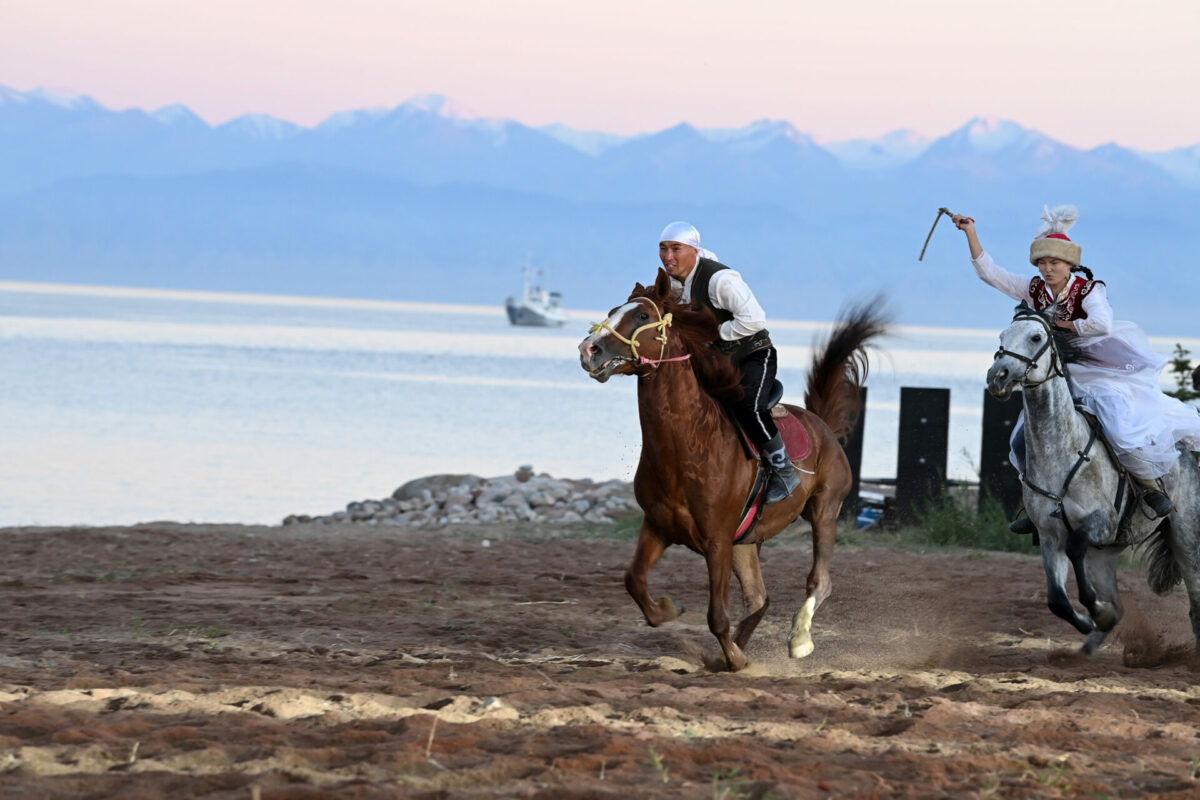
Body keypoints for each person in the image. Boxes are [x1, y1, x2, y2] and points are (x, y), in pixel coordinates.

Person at [953, 205, 1200, 529]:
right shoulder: (1033, 289)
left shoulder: (1089, 290)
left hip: (1095, 371)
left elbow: (1102, 324)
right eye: (1041, 263)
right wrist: (971, 232)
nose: (1046, 269)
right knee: (1021, 440)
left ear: (1068, 264)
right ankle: (1038, 506)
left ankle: (1149, 489)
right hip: (1055, 373)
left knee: (1121, 428)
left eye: (1052, 263)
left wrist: (1062, 323)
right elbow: (991, 274)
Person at [657, 221, 800, 503]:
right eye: (663, 248)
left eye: (676, 248)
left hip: (754, 354)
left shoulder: (720, 280)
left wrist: (714, 333)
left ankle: (785, 473)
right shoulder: (673, 283)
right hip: (716, 361)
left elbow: (755, 319)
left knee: (749, 408)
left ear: (694, 251)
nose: (668, 256)